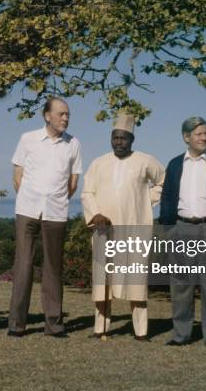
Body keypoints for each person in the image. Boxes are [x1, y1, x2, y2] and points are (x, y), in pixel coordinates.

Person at [81, 110, 165, 341]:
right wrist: (96, 214)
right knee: (103, 282)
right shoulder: (99, 163)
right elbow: (87, 192)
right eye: (115, 137)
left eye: (123, 138)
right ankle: (101, 328)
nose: (119, 142)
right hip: (104, 231)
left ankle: (141, 331)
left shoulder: (145, 160)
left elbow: (164, 182)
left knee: (135, 281)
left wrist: (144, 202)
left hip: (133, 229)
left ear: (132, 140)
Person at [8, 97, 82, 338]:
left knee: (53, 268)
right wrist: (31, 198)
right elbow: (18, 176)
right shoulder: (27, 139)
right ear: (47, 115)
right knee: (23, 266)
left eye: (68, 114)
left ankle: (54, 324)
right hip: (27, 210)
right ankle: (16, 324)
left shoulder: (74, 144)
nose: (66, 118)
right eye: (61, 114)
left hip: (56, 212)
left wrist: (56, 199)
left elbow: (73, 183)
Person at [160, 116, 206, 350]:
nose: (204, 138)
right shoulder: (174, 165)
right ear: (186, 137)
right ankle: (181, 334)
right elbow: (166, 198)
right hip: (180, 229)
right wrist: (168, 231)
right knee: (181, 284)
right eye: (199, 134)